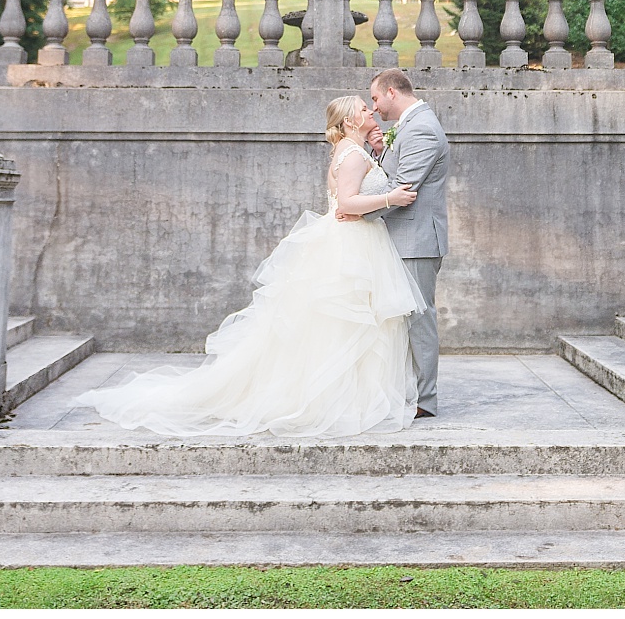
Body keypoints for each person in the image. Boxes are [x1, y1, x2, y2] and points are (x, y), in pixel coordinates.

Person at [76, 95, 426, 437]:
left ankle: (350, 396)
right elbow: (347, 201)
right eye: (365, 109)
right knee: (348, 323)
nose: (372, 110)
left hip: (356, 239)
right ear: (350, 120)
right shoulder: (351, 155)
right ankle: (339, 400)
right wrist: (389, 198)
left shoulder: (350, 151)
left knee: (346, 325)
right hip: (353, 245)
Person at [368, 68, 451, 419]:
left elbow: (403, 187)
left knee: (419, 318)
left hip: (416, 239)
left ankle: (425, 401)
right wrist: (378, 150)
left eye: (375, 99)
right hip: (403, 237)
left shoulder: (422, 129)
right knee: (402, 319)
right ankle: (408, 392)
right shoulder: (408, 125)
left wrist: (355, 211)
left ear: (391, 91)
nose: (374, 109)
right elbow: (393, 172)